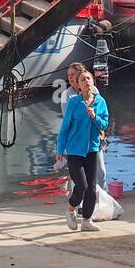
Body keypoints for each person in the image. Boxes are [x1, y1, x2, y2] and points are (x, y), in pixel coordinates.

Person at [55, 69, 109, 231]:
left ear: (92, 82)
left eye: (88, 79)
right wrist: (60, 149)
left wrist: (94, 116)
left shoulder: (100, 102)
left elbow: (104, 124)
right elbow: (65, 128)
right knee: (81, 185)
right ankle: (71, 210)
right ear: (78, 85)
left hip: (92, 148)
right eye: (83, 80)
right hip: (74, 150)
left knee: (92, 187)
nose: (86, 81)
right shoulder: (74, 103)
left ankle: (87, 219)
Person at [59, 61, 106, 189]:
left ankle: (100, 199)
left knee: (101, 173)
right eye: (68, 75)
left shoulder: (93, 90)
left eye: (73, 74)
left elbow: (101, 113)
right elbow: (67, 121)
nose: (70, 77)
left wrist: (102, 133)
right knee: (80, 177)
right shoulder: (67, 95)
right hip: (77, 140)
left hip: (94, 137)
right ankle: (79, 204)